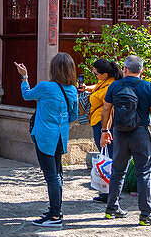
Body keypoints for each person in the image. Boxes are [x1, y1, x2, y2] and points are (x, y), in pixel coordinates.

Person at [15, 53, 79, 227]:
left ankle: (55, 216)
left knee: (51, 177)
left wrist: (24, 77)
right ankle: (55, 210)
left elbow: (27, 95)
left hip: (45, 136)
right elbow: (73, 115)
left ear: (54, 69)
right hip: (61, 137)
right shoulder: (72, 90)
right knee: (57, 174)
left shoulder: (45, 87)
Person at [101, 55, 151, 225]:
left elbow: (106, 109)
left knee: (117, 171)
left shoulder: (115, 85)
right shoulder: (148, 87)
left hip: (119, 133)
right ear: (142, 71)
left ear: (125, 69)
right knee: (143, 174)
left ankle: (111, 209)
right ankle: (145, 215)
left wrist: (104, 131)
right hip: (140, 133)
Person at [80, 58, 119, 202]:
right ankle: (107, 189)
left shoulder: (111, 86)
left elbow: (109, 109)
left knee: (109, 156)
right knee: (107, 154)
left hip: (104, 125)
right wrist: (87, 88)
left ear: (105, 75)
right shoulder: (105, 82)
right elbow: (97, 86)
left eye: (96, 73)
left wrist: (105, 130)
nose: (95, 75)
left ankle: (110, 192)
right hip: (97, 122)